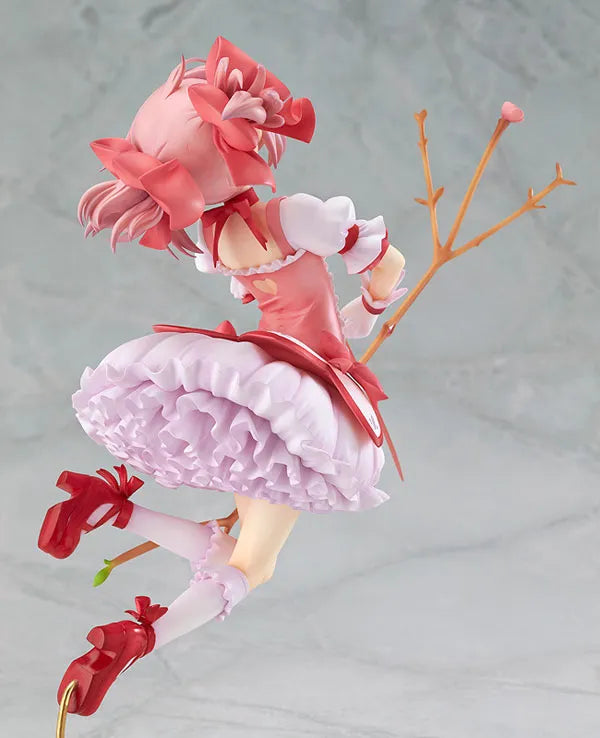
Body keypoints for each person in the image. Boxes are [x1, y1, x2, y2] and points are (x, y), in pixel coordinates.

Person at [38, 36, 407, 716]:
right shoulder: (290, 216)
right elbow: (386, 263)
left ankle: (111, 507)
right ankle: (140, 638)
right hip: (294, 398)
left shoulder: (212, 240)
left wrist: (349, 317)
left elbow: (275, 300)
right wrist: (372, 306)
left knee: (237, 542)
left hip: (256, 381)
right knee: (253, 564)